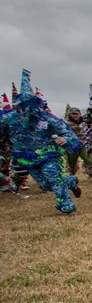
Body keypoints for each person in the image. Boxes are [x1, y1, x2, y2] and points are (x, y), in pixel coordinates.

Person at [0, 69, 82, 213]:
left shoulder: (46, 118)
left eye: (31, 106)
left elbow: (69, 134)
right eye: (24, 106)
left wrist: (65, 139)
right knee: (45, 185)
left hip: (48, 154)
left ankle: (67, 206)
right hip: (26, 157)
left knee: (54, 178)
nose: (28, 111)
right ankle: (71, 181)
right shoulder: (8, 118)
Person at [64, 106, 92, 181]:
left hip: (85, 144)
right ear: (69, 114)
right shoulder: (65, 123)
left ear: (80, 114)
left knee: (89, 160)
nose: (75, 115)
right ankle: (70, 177)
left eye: (76, 113)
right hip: (72, 145)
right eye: (72, 113)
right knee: (71, 162)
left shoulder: (86, 122)